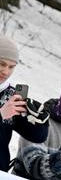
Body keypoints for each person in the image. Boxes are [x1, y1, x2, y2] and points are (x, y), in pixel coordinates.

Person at [0, 35, 49, 172]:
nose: (6, 72)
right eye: (2, 64)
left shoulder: (10, 94)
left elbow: (37, 137)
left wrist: (39, 122)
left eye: (11, 67)